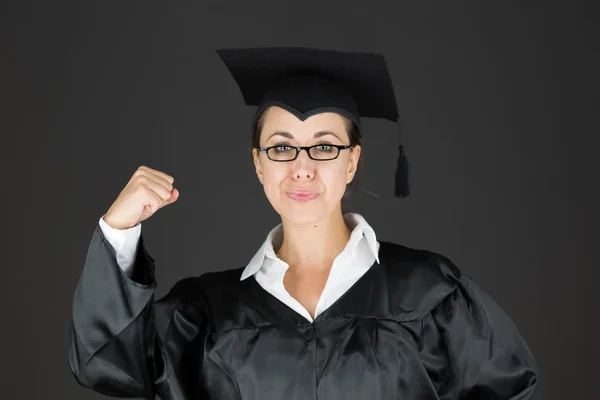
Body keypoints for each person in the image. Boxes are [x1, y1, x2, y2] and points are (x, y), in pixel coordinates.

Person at [68, 47, 539, 399]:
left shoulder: (431, 292)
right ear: (259, 163)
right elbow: (111, 365)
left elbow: (508, 387)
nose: (302, 166)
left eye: (325, 145)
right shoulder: (207, 313)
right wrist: (119, 230)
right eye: (281, 146)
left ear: (352, 162)